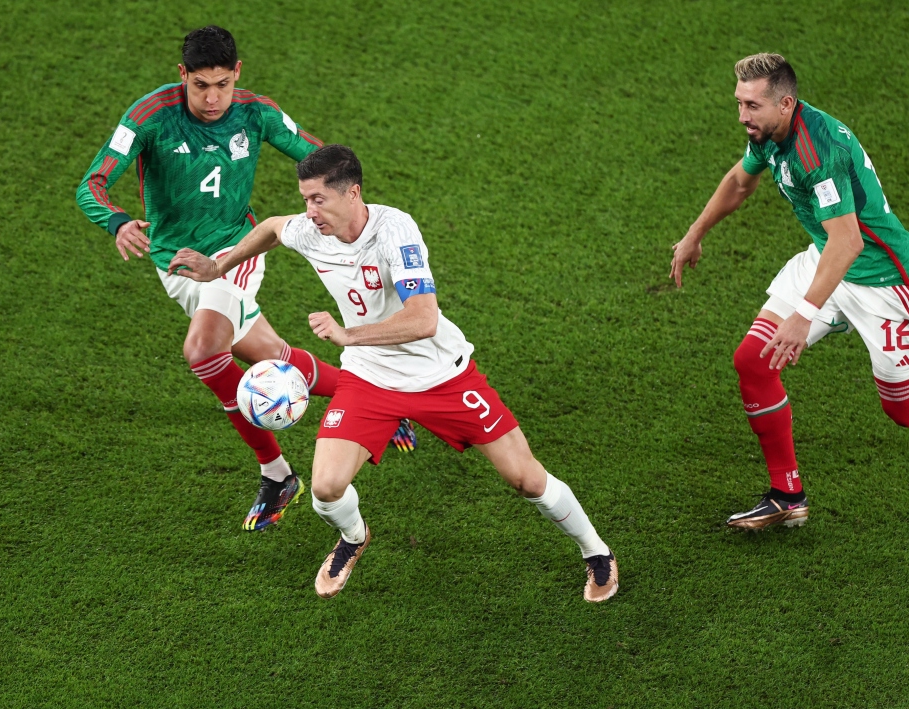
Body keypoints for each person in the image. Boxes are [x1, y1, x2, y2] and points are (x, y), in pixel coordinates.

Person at [169, 144, 618, 601]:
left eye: (318, 200)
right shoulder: (310, 231)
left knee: (526, 478)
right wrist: (218, 266)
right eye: (304, 199)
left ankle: (596, 552)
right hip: (370, 380)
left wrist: (348, 337)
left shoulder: (394, 232)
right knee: (325, 489)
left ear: (353, 194)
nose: (308, 211)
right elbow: (269, 229)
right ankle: (354, 538)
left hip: (443, 376)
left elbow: (423, 319)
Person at [670, 53, 909, 530]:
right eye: (740, 104)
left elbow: (850, 240)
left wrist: (803, 313)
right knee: (753, 360)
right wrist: (695, 233)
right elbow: (738, 182)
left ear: (785, 103)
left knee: (907, 409)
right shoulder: (769, 134)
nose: (742, 116)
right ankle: (787, 494)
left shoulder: (818, 151)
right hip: (828, 261)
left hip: (886, 284)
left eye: (751, 106)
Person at [75, 26, 415, 532]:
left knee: (204, 351)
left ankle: (276, 474)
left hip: (235, 251)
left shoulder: (256, 112)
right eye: (200, 86)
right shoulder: (149, 117)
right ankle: (382, 398)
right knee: (267, 352)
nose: (212, 99)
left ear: (238, 73)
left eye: (222, 85)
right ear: (182, 75)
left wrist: (348, 207)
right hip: (175, 263)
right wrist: (119, 220)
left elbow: (318, 155)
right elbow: (92, 183)